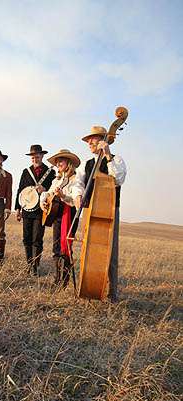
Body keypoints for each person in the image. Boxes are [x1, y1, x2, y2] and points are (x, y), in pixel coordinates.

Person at [75, 125, 127, 301]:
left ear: (104, 139)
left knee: (111, 251)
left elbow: (118, 179)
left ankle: (112, 291)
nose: (89, 142)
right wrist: (77, 196)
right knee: (87, 247)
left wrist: (107, 155)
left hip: (110, 211)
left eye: (93, 138)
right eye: (88, 140)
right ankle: (89, 284)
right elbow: (78, 183)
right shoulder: (86, 164)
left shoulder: (115, 159)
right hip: (89, 210)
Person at [40, 149, 83, 287]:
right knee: (56, 247)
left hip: (69, 215)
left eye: (61, 160)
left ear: (69, 163)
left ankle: (63, 281)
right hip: (57, 216)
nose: (58, 163)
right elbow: (48, 193)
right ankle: (58, 279)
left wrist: (63, 196)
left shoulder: (75, 179)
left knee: (65, 247)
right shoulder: (56, 180)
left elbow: (74, 200)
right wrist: (43, 201)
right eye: (57, 161)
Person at [15, 144, 56, 275]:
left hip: (41, 210)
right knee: (26, 238)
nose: (34, 160)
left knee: (37, 239)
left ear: (42, 156)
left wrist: (45, 189)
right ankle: (29, 264)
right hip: (27, 209)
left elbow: (53, 190)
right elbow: (20, 191)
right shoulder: (26, 172)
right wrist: (17, 209)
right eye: (32, 157)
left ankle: (35, 266)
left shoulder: (50, 172)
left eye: (37, 157)